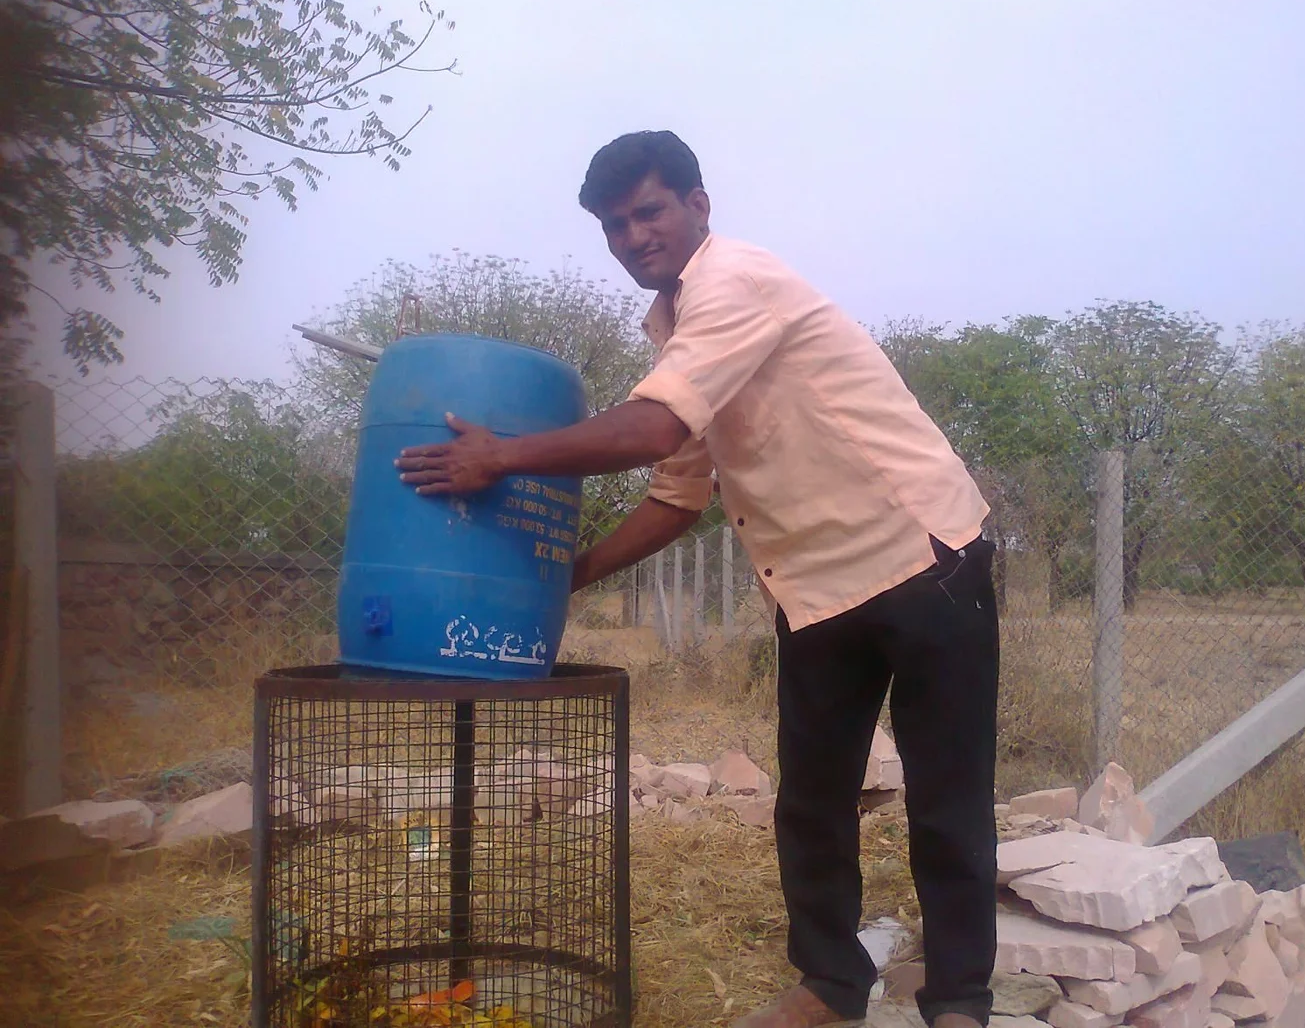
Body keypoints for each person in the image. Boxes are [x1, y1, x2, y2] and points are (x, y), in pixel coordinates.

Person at [394, 130, 1000, 1028]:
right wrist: (573, 576)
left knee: (947, 801)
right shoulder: (676, 331)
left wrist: (503, 458)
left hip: (921, 556)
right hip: (813, 586)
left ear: (697, 206)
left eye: (649, 212)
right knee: (811, 802)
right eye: (613, 225)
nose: (634, 236)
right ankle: (832, 987)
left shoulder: (735, 282)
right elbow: (676, 493)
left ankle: (959, 1001)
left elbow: (647, 428)